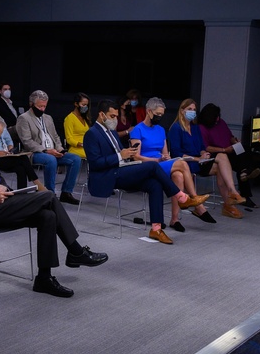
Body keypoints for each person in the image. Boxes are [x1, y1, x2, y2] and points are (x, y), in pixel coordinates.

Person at [0, 111, 108, 298]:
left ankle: (44, 278)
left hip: (0, 205)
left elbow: (2, 182)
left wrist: (1, 187)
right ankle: (76, 251)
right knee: (49, 197)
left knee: (48, 216)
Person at [85, 100, 210, 245]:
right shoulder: (92, 134)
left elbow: (123, 154)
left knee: (154, 183)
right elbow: (95, 164)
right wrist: (120, 156)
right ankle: (182, 197)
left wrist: (128, 155)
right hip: (107, 176)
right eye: (112, 116)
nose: (116, 120)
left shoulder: (112, 132)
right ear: (101, 115)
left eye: (116, 116)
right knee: (152, 166)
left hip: (122, 169)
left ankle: (156, 228)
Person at [130, 97, 213, 229]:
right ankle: (196, 201)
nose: (159, 117)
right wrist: (156, 160)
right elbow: (136, 157)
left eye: (161, 115)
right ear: (149, 111)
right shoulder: (138, 130)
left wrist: (165, 158)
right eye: (157, 114)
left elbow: (166, 153)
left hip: (161, 163)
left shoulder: (161, 130)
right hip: (147, 165)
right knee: (181, 162)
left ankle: (174, 219)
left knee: (178, 176)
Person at [168, 98, 248, 223]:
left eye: (194, 110)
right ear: (182, 111)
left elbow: (201, 146)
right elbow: (175, 152)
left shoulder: (195, 128)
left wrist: (203, 154)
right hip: (186, 162)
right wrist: (197, 158)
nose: (192, 112)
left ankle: (231, 195)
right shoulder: (176, 128)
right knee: (221, 162)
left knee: (222, 158)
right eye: (189, 109)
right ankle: (228, 202)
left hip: (199, 161)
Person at [15, 90, 82, 205]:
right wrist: (46, 150)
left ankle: (66, 192)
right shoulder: (23, 118)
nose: (42, 109)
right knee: (50, 160)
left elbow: (55, 136)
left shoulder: (48, 118)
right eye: (40, 106)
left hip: (53, 150)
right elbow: (27, 141)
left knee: (75, 159)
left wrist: (60, 149)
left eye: (44, 106)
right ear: (31, 104)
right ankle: (49, 193)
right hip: (34, 153)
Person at [197, 102, 260, 209]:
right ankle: (245, 176)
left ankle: (245, 173)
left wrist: (235, 141)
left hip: (230, 149)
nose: (218, 119)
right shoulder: (202, 128)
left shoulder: (221, 122)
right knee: (242, 165)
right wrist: (224, 149)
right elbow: (206, 147)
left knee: (246, 151)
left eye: (218, 116)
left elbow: (230, 136)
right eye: (215, 117)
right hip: (218, 154)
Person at [0, 94, 44, 191]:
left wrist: (10, 148)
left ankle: (22, 195)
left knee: (21, 167)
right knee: (23, 159)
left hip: (5, 154)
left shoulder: (0, 121)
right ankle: (38, 184)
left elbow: (8, 140)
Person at [63, 92, 91, 160]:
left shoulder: (85, 118)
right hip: (76, 150)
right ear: (76, 104)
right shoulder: (69, 118)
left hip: (87, 148)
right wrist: (81, 144)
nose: (85, 107)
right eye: (83, 104)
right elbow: (69, 139)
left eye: (86, 105)